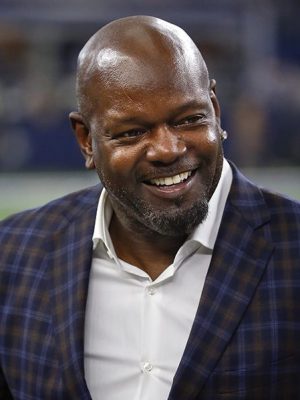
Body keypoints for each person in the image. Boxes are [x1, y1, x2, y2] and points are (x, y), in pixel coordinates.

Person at [0, 15, 299, 400]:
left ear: (216, 110)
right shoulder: (12, 257)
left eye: (189, 119)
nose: (168, 150)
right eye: (133, 132)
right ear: (86, 140)